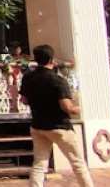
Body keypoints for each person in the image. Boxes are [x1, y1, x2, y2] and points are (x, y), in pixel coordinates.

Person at [19, 44, 93, 187]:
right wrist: (77, 108)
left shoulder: (28, 78)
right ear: (52, 60)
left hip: (38, 125)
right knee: (78, 163)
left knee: (39, 163)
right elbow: (66, 106)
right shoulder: (58, 80)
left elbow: (24, 100)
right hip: (59, 126)